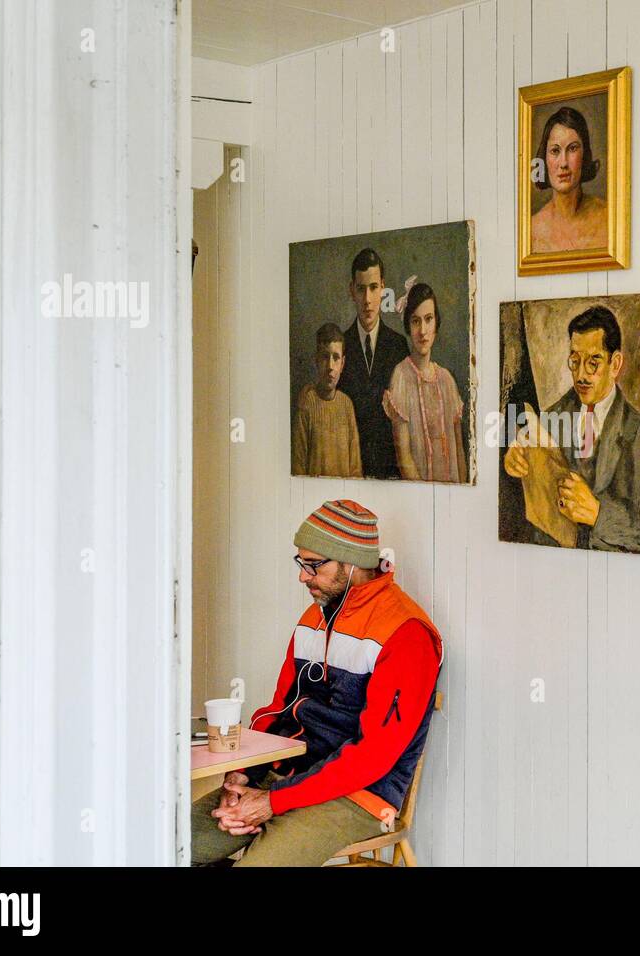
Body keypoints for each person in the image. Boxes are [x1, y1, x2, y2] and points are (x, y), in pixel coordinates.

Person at [190, 499, 444, 867]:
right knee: (160, 841)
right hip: (282, 776)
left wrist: (272, 801)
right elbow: (277, 709)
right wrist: (242, 776)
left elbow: (374, 758)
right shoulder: (315, 616)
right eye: (301, 562)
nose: (303, 576)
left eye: (314, 565)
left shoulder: (407, 635)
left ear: (352, 561)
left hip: (358, 795)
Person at [502, 305, 640, 552]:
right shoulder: (551, 417)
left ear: (615, 364)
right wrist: (516, 458)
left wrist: (598, 514)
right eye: (575, 361)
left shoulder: (639, 431)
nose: (581, 375)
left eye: (593, 363)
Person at [382, 283, 468, 483]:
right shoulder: (401, 376)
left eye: (428, 319)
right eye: (415, 321)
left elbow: (459, 452)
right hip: (419, 495)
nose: (422, 330)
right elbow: (404, 457)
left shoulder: (447, 379)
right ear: (408, 326)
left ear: (436, 323)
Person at [337, 248, 410, 478]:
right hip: (351, 471)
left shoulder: (398, 346)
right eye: (361, 289)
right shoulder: (340, 348)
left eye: (373, 288)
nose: (367, 299)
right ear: (352, 290)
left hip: (392, 474)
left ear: (383, 288)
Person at [530, 106, 608, 253]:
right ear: (544, 158)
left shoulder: (608, 218)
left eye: (572, 149)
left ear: (584, 155)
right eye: (555, 151)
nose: (563, 163)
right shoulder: (533, 229)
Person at [292, 323, 363, 478]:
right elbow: (298, 467)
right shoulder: (306, 403)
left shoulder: (346, 405)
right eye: (325, 357)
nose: (330, 366)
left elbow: (356, 469)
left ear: (342, 364)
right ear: (316, 360)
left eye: (336, 358)